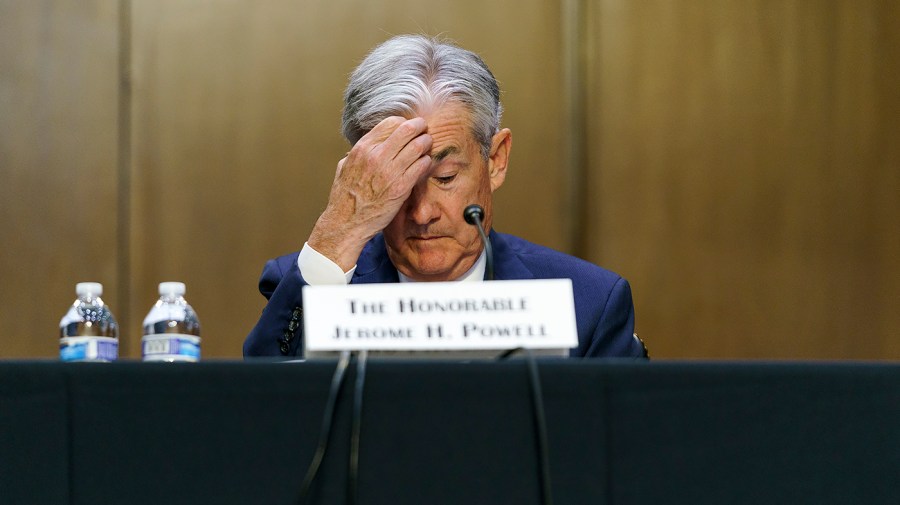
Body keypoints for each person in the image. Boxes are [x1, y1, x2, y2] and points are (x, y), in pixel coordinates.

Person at [243, 34, 646, 358]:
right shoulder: (307, 283)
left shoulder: (588, 303)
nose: (421, 213)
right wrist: (339, 231)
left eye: (446, 176)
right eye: (395, 185)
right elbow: (257, 418)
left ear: (496, 159)